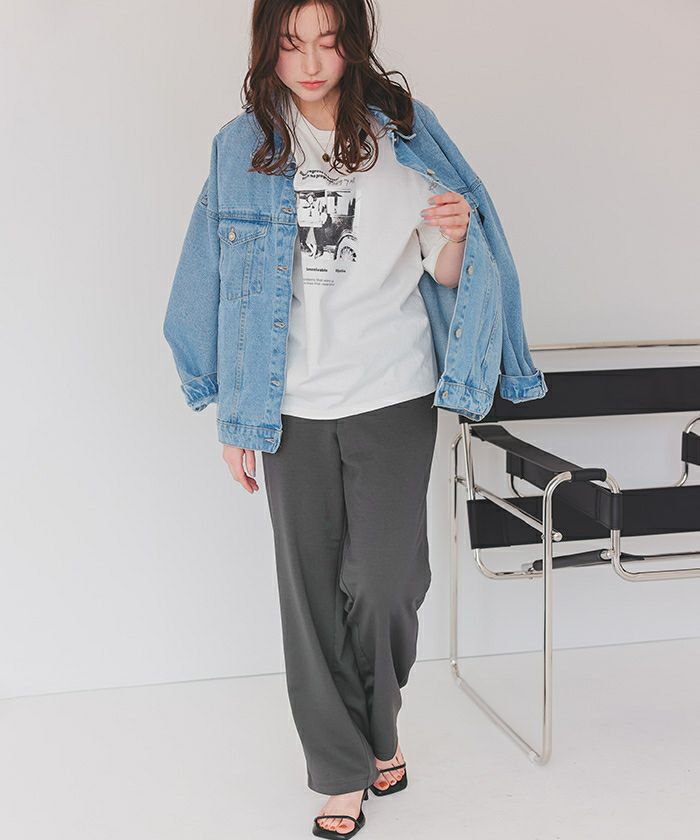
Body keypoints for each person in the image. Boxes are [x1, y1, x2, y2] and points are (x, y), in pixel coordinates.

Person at [169, 1, 474, 836]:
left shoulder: (403, 131)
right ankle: (342, 771)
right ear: (267, 48)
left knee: (385, 583)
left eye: (328, 42)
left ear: (353, 45)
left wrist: (455, 234)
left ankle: (379, 724)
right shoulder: (242, 147)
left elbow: (445, 271)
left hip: (394, 390)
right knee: (308, 594)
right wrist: (232, 417)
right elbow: (210, 279)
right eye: (291, 44)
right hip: (289, 402)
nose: (310, 63)